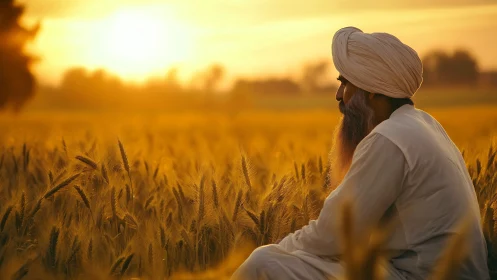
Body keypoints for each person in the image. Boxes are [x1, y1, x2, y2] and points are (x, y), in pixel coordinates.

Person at [231, 27, 489, 280]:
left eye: (345, 83)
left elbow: (333, 236)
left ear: (372, 88)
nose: (338, 95)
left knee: (262, 264)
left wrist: (277, 250)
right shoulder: (424, 124)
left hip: (422, 276)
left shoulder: (389, 138)